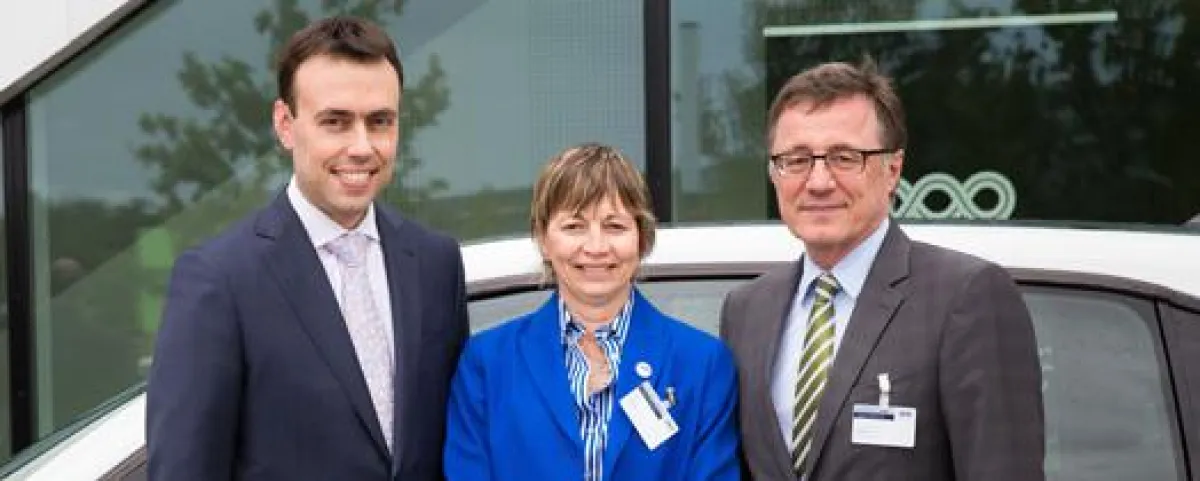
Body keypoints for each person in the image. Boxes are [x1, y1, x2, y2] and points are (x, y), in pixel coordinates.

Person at [146, 16, 469, 481]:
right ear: (285, 124)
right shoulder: (220, 279)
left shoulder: (436, 263)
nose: (362, 147)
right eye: (335, 122)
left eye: (380, 122)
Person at [719, 59, 1044, 481]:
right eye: (796, 160)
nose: (818, 182)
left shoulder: (968, 297)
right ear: (774, 175)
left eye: (844, 157)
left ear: (893, 170)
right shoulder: (746, 310)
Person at [444, 143, 741, 481]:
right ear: (543, 238)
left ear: (641, 238)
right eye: (574, 226)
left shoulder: (703, 364)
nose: (596, 247)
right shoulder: (486, 363)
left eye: (615, 226)